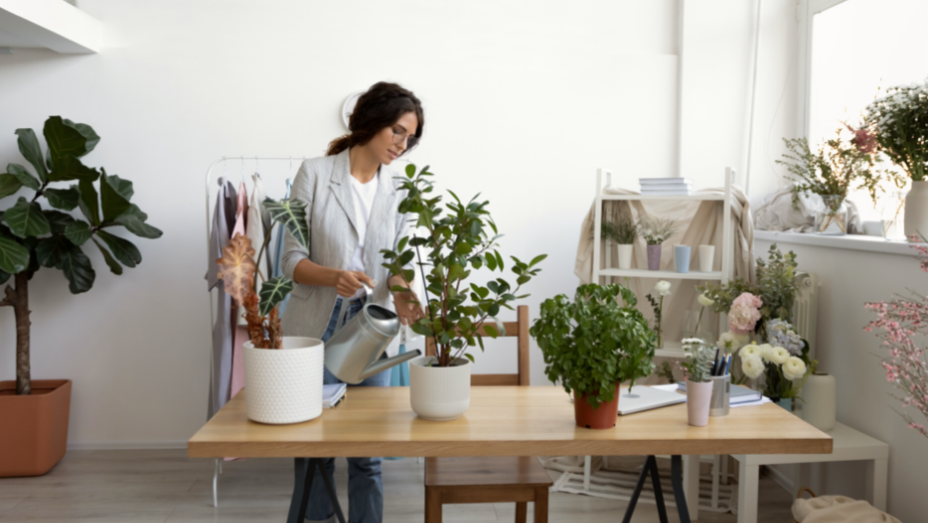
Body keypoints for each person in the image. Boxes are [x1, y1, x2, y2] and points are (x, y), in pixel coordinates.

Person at [281, 81, 425, 523]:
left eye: (410, 138)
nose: (402, 145)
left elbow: (396, 265)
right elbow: (291, 260)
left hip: (371, 327)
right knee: (313, 448)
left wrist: (403, 294)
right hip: (315, 324)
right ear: (371, 122)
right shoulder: (315, 174)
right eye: (397, 132)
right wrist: (334, 277)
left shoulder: (400, 192)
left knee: (367, 451)